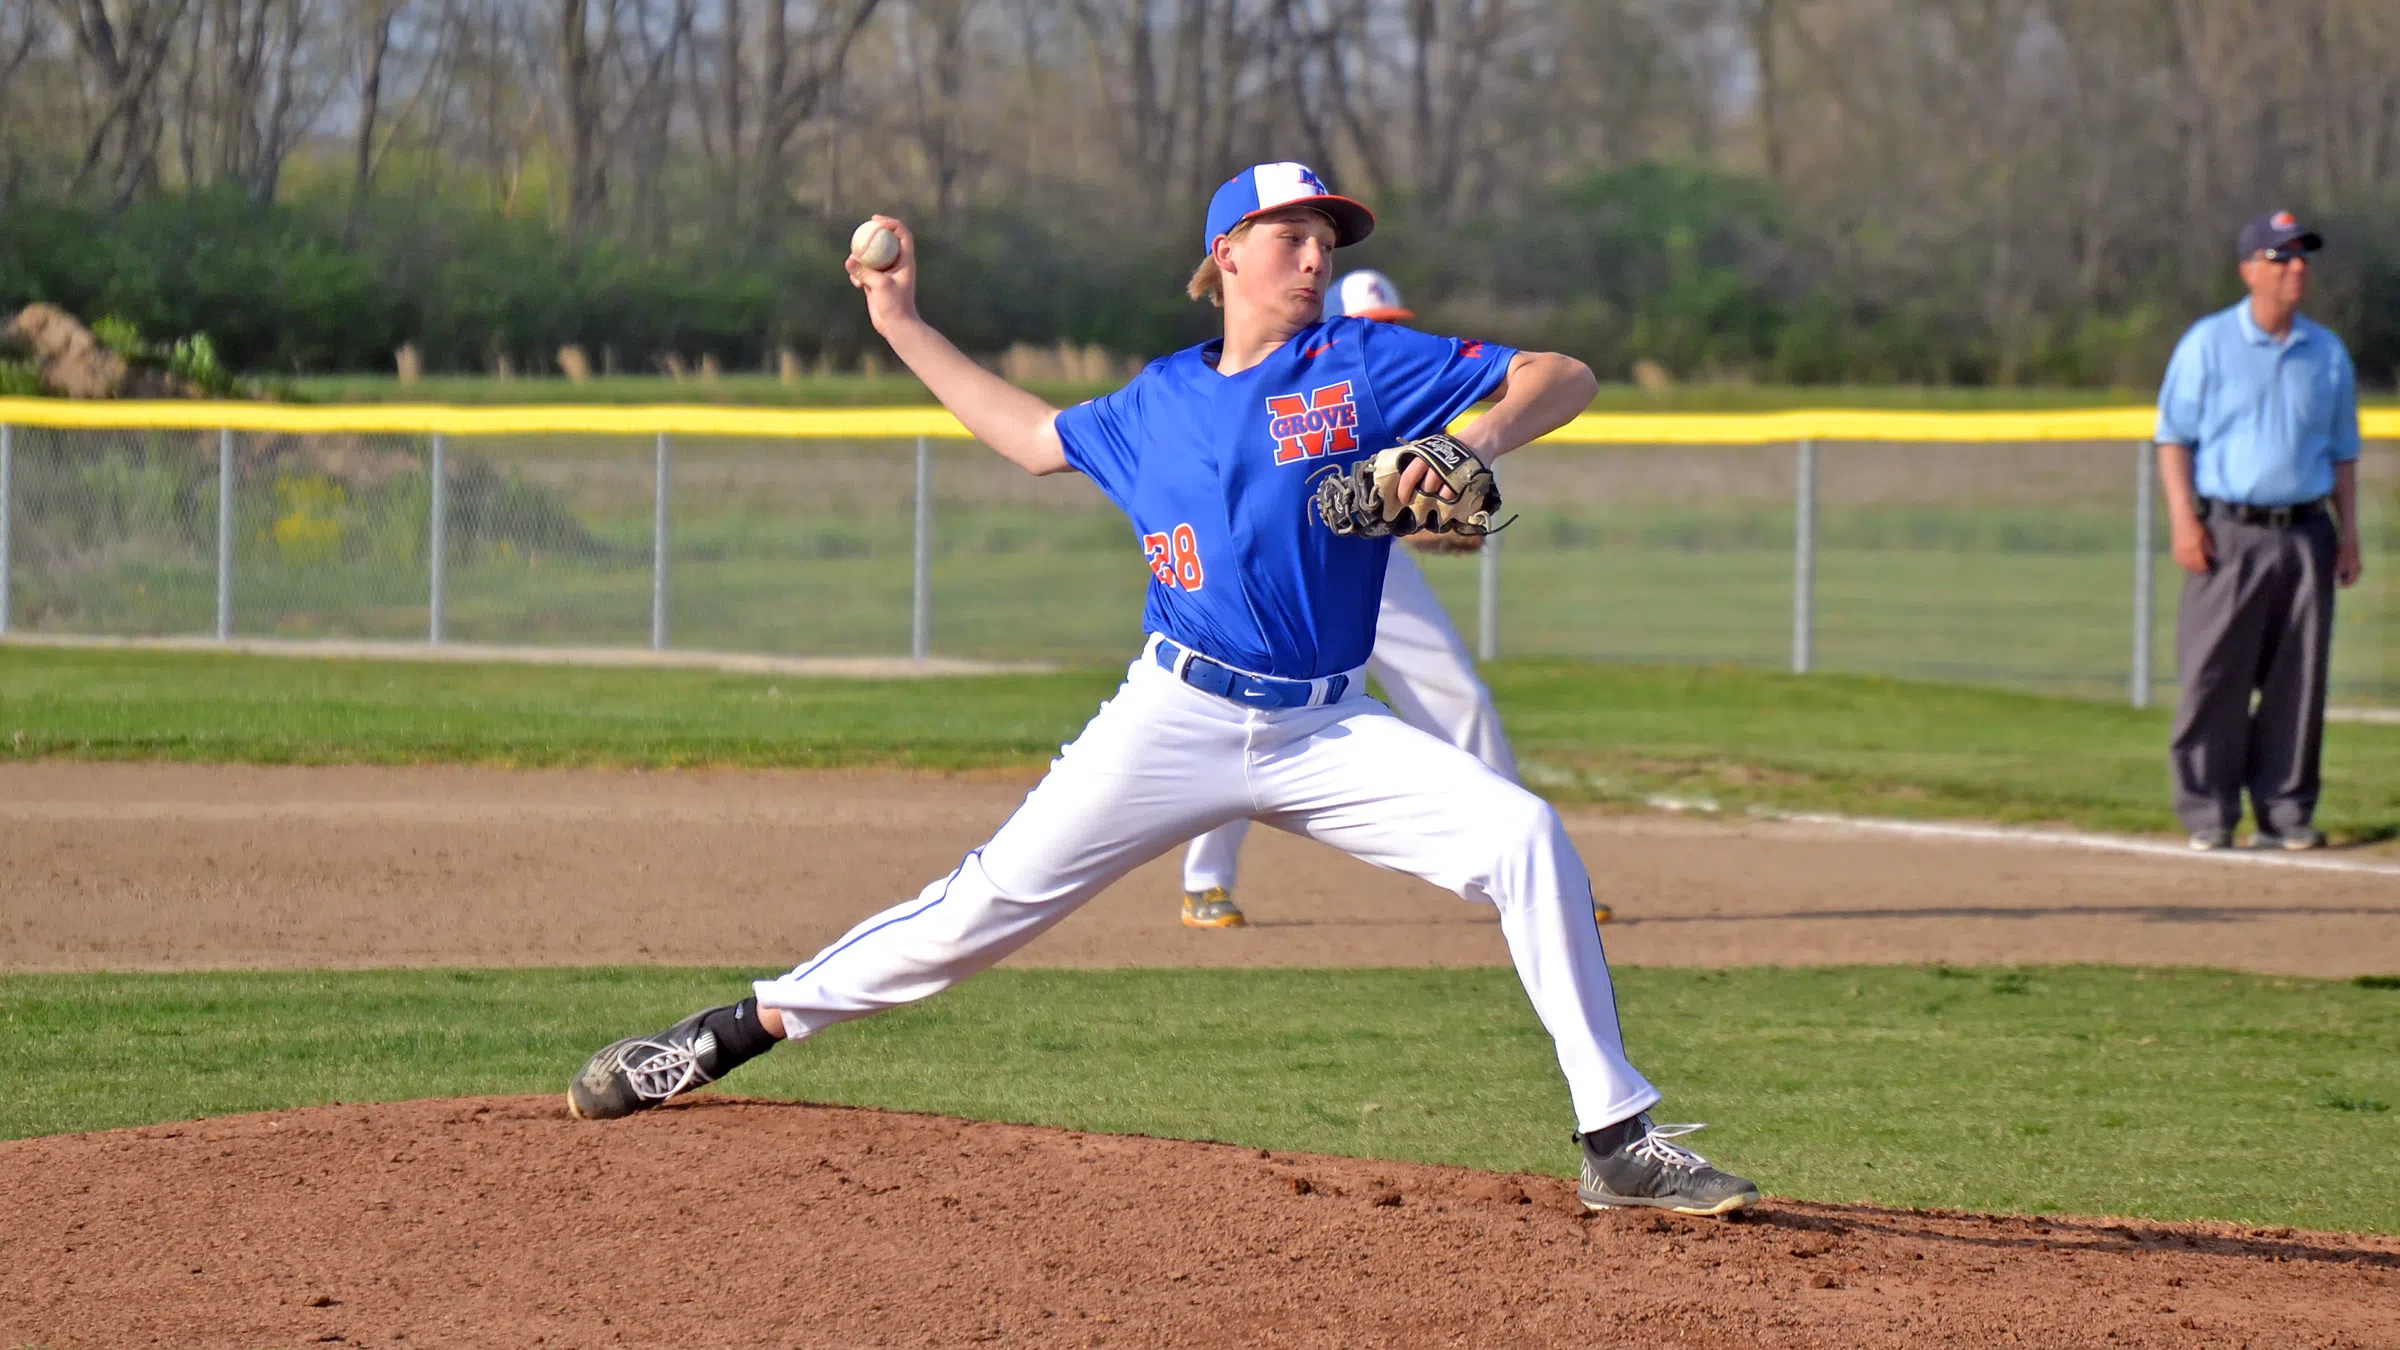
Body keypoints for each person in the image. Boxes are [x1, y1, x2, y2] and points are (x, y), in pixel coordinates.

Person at [566, 162, 1759, 1216]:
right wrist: (899, 321)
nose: (1316, 255)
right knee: (969, 919)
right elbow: (1030, 436)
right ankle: (728, 1033)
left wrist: (1474, 442)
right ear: (1224, 254)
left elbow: (1564, 373)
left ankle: (1617, 1139)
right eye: (1291, 235)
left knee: (1526, 838)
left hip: (1326, 726)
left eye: (1328, 239)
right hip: (1172, 717)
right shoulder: (1155, 402)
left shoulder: (1363, 362)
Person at [1176, 267, 1613, 931]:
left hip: (1373, 571)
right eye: (1369, 326)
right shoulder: (1286, 385)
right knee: (1255, 711)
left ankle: (1523, 870)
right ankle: (1206, 879)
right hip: (1278, 575)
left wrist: (1428, 522)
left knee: (1458, 698)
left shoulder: (1392, 388)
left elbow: (1394, 493)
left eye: (1387, 327)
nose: (1381, 339)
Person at [2155, 209, 2365, 851]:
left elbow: (2342, 453)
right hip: (2229, 534)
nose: (2297, 267)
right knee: (2214, 676)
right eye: (2282, 257)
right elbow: (2173, 439)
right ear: (2250, 270)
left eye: (2302, 256)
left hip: (2306, 534)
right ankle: (2208, 812)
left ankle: (2285, 811)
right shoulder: (2208, 344)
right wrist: (2183, 521)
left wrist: (2349, 531)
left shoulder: (2325, 352)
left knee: (2296, 681)